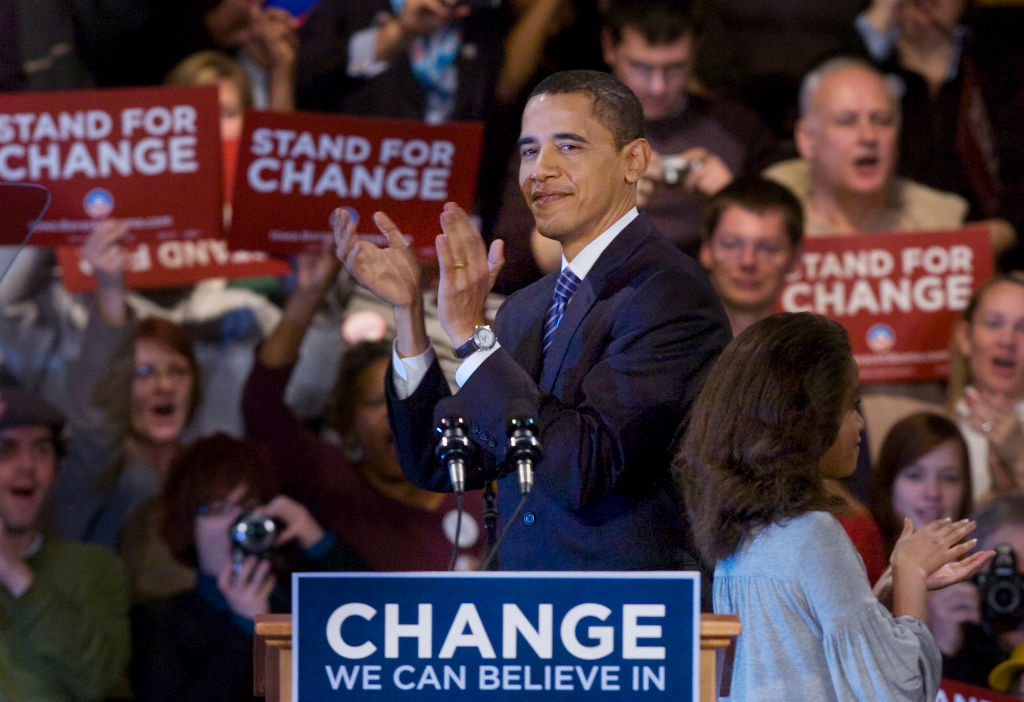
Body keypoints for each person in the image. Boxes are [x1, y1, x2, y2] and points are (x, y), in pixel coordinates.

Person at [334, 68, 731, 572]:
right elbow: (444, 463)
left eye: (568, 147)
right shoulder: (526, 306)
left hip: (627, 620)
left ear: (634, 161)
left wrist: (472, 339)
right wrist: (410, 314)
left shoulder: (667, 295)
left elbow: (584, 468)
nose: (538, 170)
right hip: (525, 618)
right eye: (527, 150)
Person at [677, 312, 993, 700]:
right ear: (806, 417)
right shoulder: (813, 533)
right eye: (848, 405)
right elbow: (898, 692)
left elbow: (814, 651)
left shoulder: (748, 530)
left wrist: (893, 584)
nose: (860, 424)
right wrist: (910, 572)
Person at [242, 251, 486, 571]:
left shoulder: (478, 487)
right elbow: (262, 404)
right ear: (348, 424)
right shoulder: (330, 484)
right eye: (375, 402)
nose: (397, 413)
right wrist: (308, 295)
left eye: (409, 399)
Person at [130, 433, 365, 702]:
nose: (236, 523)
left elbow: (385, 627)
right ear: (189, 525)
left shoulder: (304, 596)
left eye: (248, 507)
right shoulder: (159, 622)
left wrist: (317, 539)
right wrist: (248, 628)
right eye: (218, 509)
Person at [600, 0, 779, 258]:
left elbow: (783, 245)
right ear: (609, 47)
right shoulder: (571, 132)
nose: (657, 87)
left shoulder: (739, 128)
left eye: (675, 67)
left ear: (697, 50)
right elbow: (528, 255)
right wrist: (611, 210)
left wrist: (731, 198)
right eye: (640, 66)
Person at [0, 384, 131, 701]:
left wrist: (12, 570)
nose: (28, 465)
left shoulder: (94, 567)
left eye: (42, 450)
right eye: (6, 450)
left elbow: (102, 675)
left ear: (57, 471)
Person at [764, 56, 975, 237]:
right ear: (807, 139)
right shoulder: (767, 233)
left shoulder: (942, 229)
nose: (869, 136)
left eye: (882, 120)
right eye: (847, 121)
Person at [870, 411, 1004, 686]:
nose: (932, 492)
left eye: (950, 477)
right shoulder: (862, 563)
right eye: (915, 475)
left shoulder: (983, 566)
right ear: (888, 482)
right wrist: (937, 642)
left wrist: (952, 648)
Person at [946, 272, 1024, 503]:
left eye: (1023, 327)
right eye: (993, 324)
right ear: (965, 337)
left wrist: (1020, 455)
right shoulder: (934, 429)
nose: (1007, 340)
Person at [697, 176, 804, 337]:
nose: (748, 261)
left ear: (795, 257)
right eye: (731, 244)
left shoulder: (814, 356)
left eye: (768, 248)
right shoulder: (667, 344)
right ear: (706, 249)